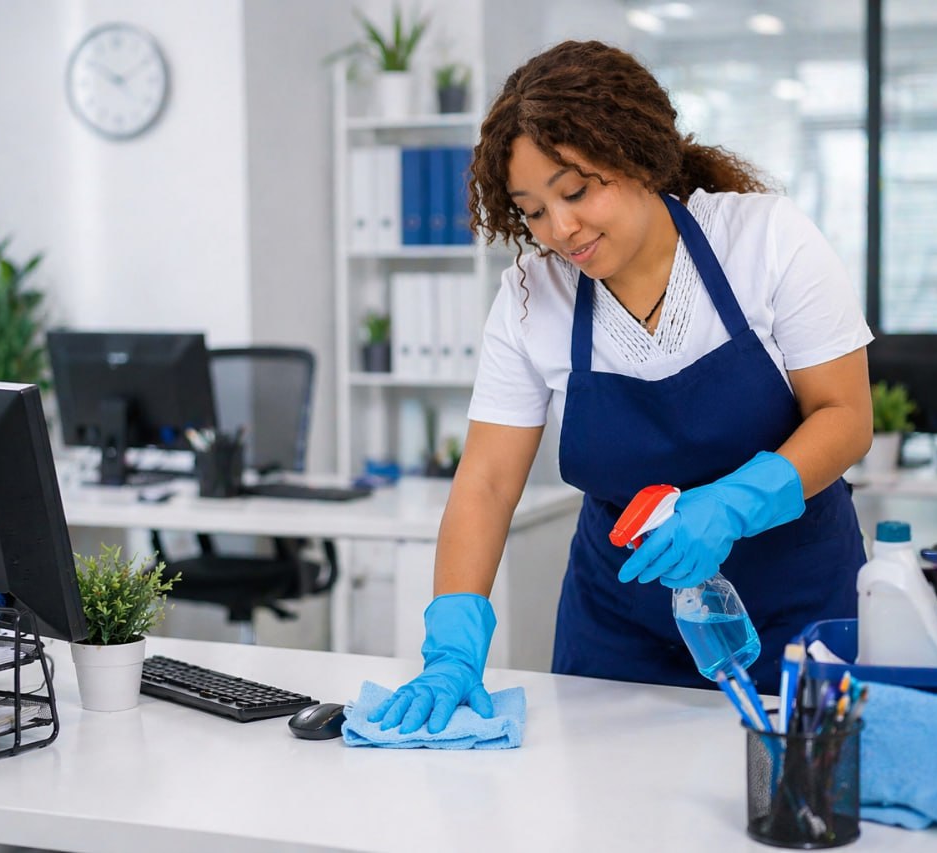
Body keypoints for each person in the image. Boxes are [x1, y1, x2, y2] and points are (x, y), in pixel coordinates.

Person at [370, 40, 873, 735]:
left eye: (576, 191)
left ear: (638, 153)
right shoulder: (530, 297)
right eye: (533, 211)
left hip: (794, 617)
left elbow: (844, 416)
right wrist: (451, 644)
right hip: (617, 635)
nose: (561, 229)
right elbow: (484, 481)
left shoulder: (765, 241)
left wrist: (732, 505)